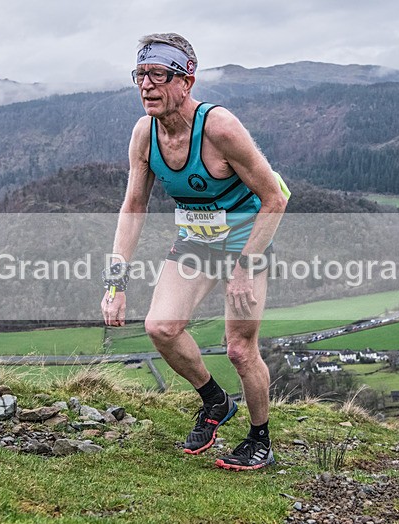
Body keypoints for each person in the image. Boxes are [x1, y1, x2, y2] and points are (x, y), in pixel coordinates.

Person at [101, 33, 289, 471]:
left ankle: (260, 440)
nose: (146, 86)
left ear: (186, 80)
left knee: (241, 350)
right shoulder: (145, 134)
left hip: (247, 242)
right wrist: (116, 281)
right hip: (196, 243)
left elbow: (275, 198)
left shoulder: (220, 128)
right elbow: (134, 206)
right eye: (140, 75)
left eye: (158, 75)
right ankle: (215, 401)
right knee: (161, 327)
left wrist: (245, 265)